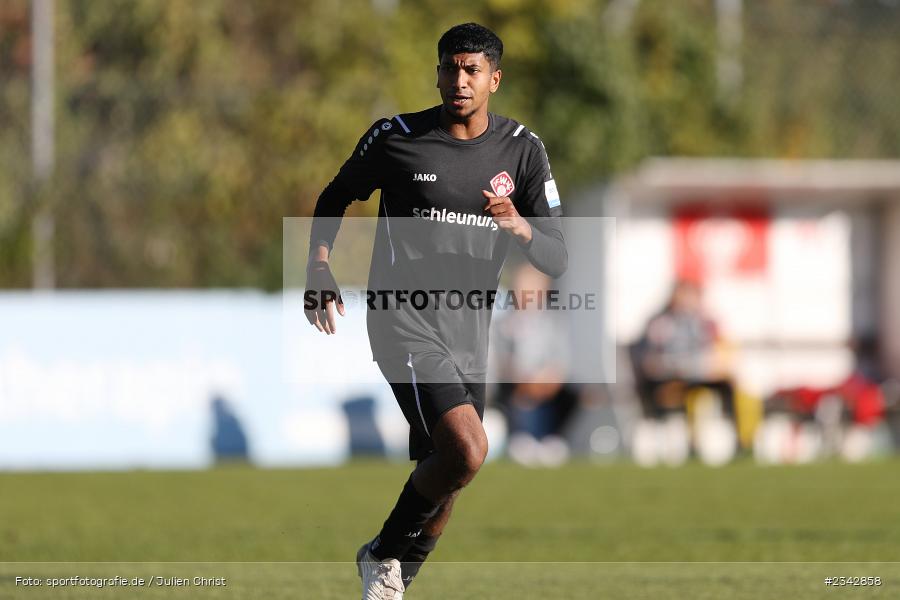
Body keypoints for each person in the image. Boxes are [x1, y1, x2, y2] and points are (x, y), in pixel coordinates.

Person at [304, 23, 566, 600]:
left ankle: (395, 582)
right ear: (438, 73)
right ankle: (381, 555)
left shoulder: (522, 150)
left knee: (446, 482)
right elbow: (334, 195)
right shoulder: (397, 137)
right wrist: (318, 264)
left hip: (469, 334)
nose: (459, 81)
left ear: (494, 79)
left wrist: (520, 226)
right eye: (450, 68)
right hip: (403, 321)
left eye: (472, 70)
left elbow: (556, 256)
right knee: (468, 449)